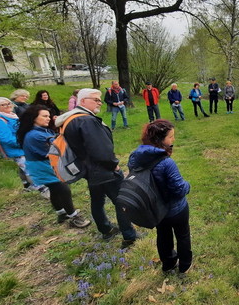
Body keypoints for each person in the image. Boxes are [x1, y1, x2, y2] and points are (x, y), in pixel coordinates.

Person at [56, 88, 138, 248]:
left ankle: (106, 230)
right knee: (122, 201)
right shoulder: (86, 121)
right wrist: (113, 165)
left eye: (100, 99)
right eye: (95, 99)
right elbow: (100, 150)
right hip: (103, 170)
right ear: (82, 101)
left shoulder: (70, 119)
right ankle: (129, 236)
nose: (99, 102)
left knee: (97, 200)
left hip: (88, 169)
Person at [128, 120, 192, 273]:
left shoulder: (135, 157)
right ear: (160, 140)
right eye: (171, 137)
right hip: (175, 209)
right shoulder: (166, 162)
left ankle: (168, 264)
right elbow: (179, 190)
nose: (173, 140)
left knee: (163, 235)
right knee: (182, 235)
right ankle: (185, 265)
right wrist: (187, 185)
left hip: (155, 208)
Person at [16, 105, 90, 228]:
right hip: (42, 165)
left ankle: (61, 213)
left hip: (41, 164)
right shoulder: (35, 135)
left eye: (49, 116)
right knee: (63, 188)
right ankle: (74, 217)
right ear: (34, 118)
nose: (48, 119)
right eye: (44, 116)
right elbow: (53, 152)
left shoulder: (41, 130)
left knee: (54, 189)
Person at [0, 97, 49, 198]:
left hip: (21, 147)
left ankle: (27, 185)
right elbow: (6, 139)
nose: (8, 106)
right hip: (16, 149)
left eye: (9, 103)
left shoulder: (11, 116)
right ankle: (45, 190)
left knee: (23, 166)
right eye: (3, 105)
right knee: (31, 169)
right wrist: (25, 142)